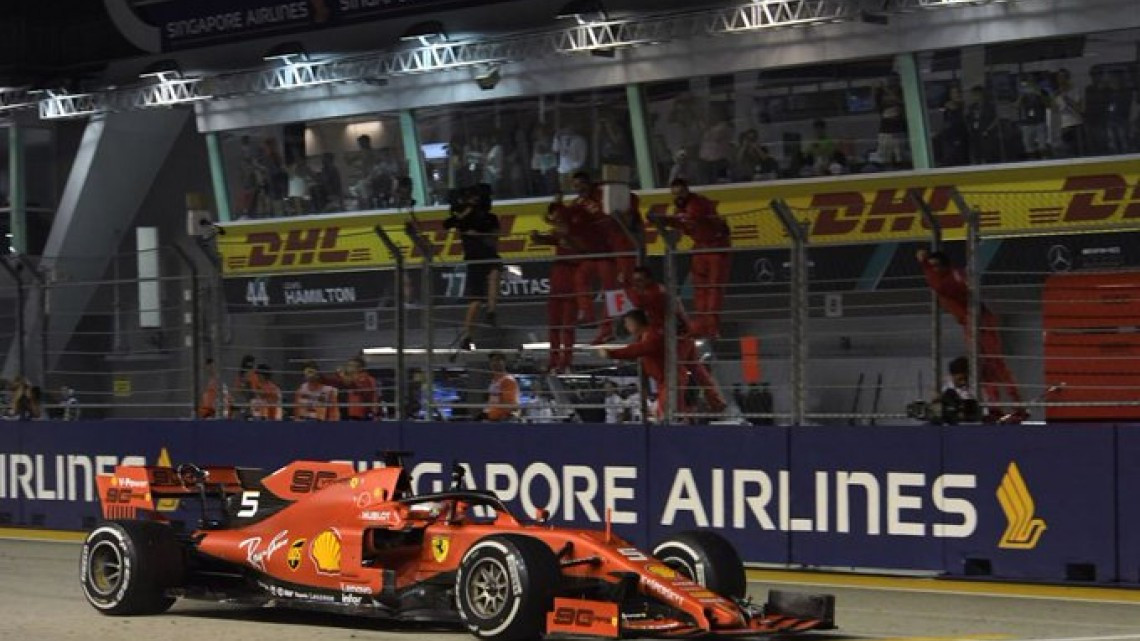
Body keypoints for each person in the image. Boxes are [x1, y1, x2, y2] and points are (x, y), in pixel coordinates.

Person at [916, 249, 1025, 422]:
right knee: (984, 368)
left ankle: (1017, 404)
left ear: (941, 267)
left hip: (978, 320)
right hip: (973, 321)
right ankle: (996, 407)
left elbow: (938, 286)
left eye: (934, 266)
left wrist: (923, 264)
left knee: (995, 364)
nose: (932, 270)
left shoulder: (948, 280)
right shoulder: (954, 275)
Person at [624, 266, 726, 413]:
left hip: (676, 339)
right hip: (683, 335)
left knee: (671, 374)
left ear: (649, 279)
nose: (637, 284)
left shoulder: (654, 294)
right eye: (635, 281)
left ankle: (674, 412)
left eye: (639, 280)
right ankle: (716, 401)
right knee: (697, 369)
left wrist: (626, 285)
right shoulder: (662, 291)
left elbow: (638, 303)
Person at [654, 179, 732, 339]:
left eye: (681, 193)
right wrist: (663, 220)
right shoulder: (681, 208)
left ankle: (711, 327)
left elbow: (690, 219)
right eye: (674, 194)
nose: (678, 196)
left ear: (687, 191)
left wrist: (665, 219)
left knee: (713, 288)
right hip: (700, 248)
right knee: (700, 289)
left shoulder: (698, 203)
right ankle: (702, 326)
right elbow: (683, 223)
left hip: (717, 247)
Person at [552, 172, 618, 344]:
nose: (578, 188)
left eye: (581, 184)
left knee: (612, 292)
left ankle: (609, 329)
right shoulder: (578, 202)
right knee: (580, 278)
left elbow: (600, 217)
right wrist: (558, 208)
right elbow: (567, 219)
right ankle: (587, 315)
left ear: (589, 183)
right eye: (575, 186)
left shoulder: (601, 198)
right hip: (592, 254)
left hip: (608, 254)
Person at [443, 184, 502, 351]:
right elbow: (448, 223)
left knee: (494, 274)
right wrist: (465, 213)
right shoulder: (463, 217)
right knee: (475, 300)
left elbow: (495, 238)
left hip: (488, 255)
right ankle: (467, 336)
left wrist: (479, 235)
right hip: (474, 258)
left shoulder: (490, 218)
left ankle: (491, 312)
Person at [599, 309, 686, 420]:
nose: (626, 326)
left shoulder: (652, 335)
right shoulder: (643, 337)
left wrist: (612, 353)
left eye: (628, 323)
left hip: (671, 379)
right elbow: (640, 352)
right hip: (663, 380)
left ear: (636, 322)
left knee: (667, 413)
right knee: (667, 413)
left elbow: (641, 349)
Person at [530, 203, 580, 372]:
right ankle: (554, 359)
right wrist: (536, 237)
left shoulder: (579, 233)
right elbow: (544, 239)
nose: (556, 221)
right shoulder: (558, 233)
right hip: (558, 281)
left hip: (573, 280)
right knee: (554, 325)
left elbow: (583, 249)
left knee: (567, 326)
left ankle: (565, 361)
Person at [874, 76, 907, 167]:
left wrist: (886, 90)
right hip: (885, 130)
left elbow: (901, 101)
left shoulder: (901, 93)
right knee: (885, 157)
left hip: (898, 130)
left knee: (900, 156)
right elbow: (878, 104)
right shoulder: (881, 96)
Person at [334, 356, 379, 420]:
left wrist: (342, 375)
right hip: (346, 411)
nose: (348, 368)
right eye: (348, 365)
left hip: (361, 414)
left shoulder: (366, 379)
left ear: (360, 368)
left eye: (351, 365)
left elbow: (356, 387)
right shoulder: (348, 377)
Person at [1016, 76, 1049, 160]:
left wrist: (1039, 94)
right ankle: (1032, 161)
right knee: (1028, 145)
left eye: (1031, 83)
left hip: (1039, 121)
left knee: (1042, 145)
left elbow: (1048, 104)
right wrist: (1022, 96)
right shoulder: (1022, 94)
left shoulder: (1041, 92)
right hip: (1027, 123)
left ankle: (1045, 160)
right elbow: (1016, 106)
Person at [966, 85, 1000, 164]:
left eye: (976, 94)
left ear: (981, 94)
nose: (974, 97)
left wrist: (988, 130)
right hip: (975, 134)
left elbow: (996, 119)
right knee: (977, 155)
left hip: (987, 134)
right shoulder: (972, 107)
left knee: (988, 155)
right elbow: (969, 119)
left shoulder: (989, 106)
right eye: (973, 95)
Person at [1054, 68, 1085, 157]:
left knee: (1079, 151)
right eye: (1059, 77)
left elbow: (1081, 109)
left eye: (1063, 76)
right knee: (1067, 152)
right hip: (1063, 126)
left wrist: (1067, 99)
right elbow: (1054, 111)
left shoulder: (1075, 90)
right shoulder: (1056, 93)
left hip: (1076, 124)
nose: (1061, 79)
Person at [482, 352, 519, 421]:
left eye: (498, 360)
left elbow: (510, 405)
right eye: (492, 360)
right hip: (492, 418)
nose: (495, 363)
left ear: (504, 362)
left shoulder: (508, 380)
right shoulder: (494, 381)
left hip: (502, 420)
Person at [938, 85, 969, 166]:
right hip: (951, 141)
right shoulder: (947, 109)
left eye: (958, 92)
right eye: (954, 93)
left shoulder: (964, 106)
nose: (957, 95)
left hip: (964, 139)